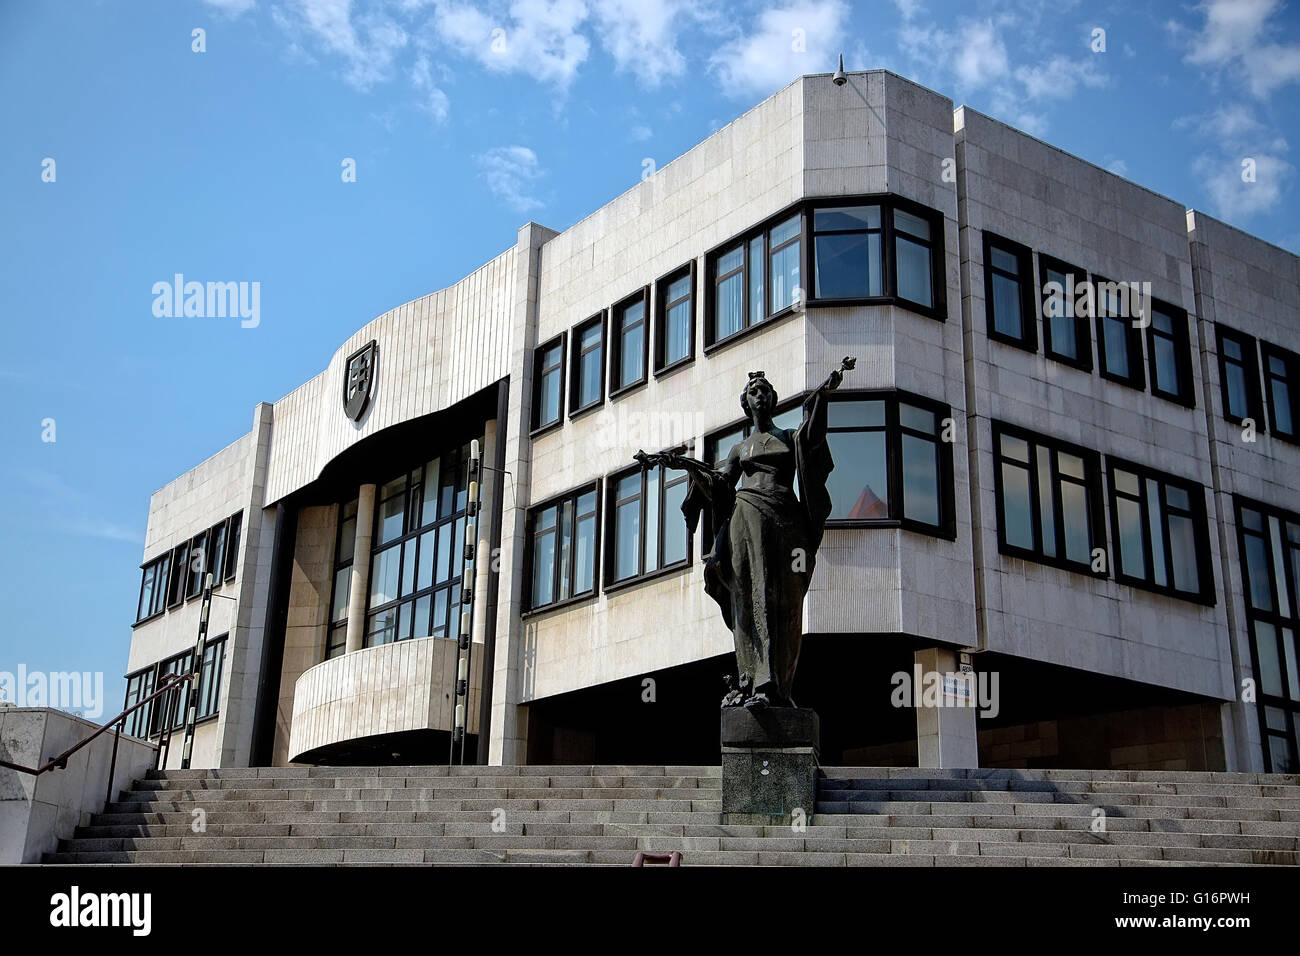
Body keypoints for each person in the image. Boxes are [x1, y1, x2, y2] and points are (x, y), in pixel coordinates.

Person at [636, 359, 853, 708]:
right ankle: (755, 682)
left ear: (774, 399)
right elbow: (721, 485)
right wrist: (683, 464)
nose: (760, 396)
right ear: (746, 402)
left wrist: (823, 395)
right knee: (750, 599)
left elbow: (812, 439)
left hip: (785, 523)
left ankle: (779, 685)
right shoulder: (739, 449)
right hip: (745, 521)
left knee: (784, 602)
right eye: (754, 392)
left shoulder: (788, 437)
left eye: (765, 392)